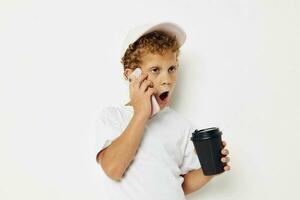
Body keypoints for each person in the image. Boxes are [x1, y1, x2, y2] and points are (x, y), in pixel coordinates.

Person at [94, 21, 231, 200]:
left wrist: (211, 168)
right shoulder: (113, 117)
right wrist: (141, 114)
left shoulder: (182, 126)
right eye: (155, 70)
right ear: (131, 75)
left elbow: (181, 185)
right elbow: (113, 170)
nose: (167, 79)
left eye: (172, 69)